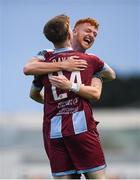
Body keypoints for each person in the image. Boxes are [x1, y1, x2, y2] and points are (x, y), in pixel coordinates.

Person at [24, 14, 110, 179]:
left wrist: (52, 102)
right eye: (88, 31)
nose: (92, 35)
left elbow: (32, 91)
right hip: (81, 127)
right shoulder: (90, 61)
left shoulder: (45, 61)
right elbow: (109, 77)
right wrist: (96, 76)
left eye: (95, 34)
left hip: (54, 130)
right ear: (72, 34)